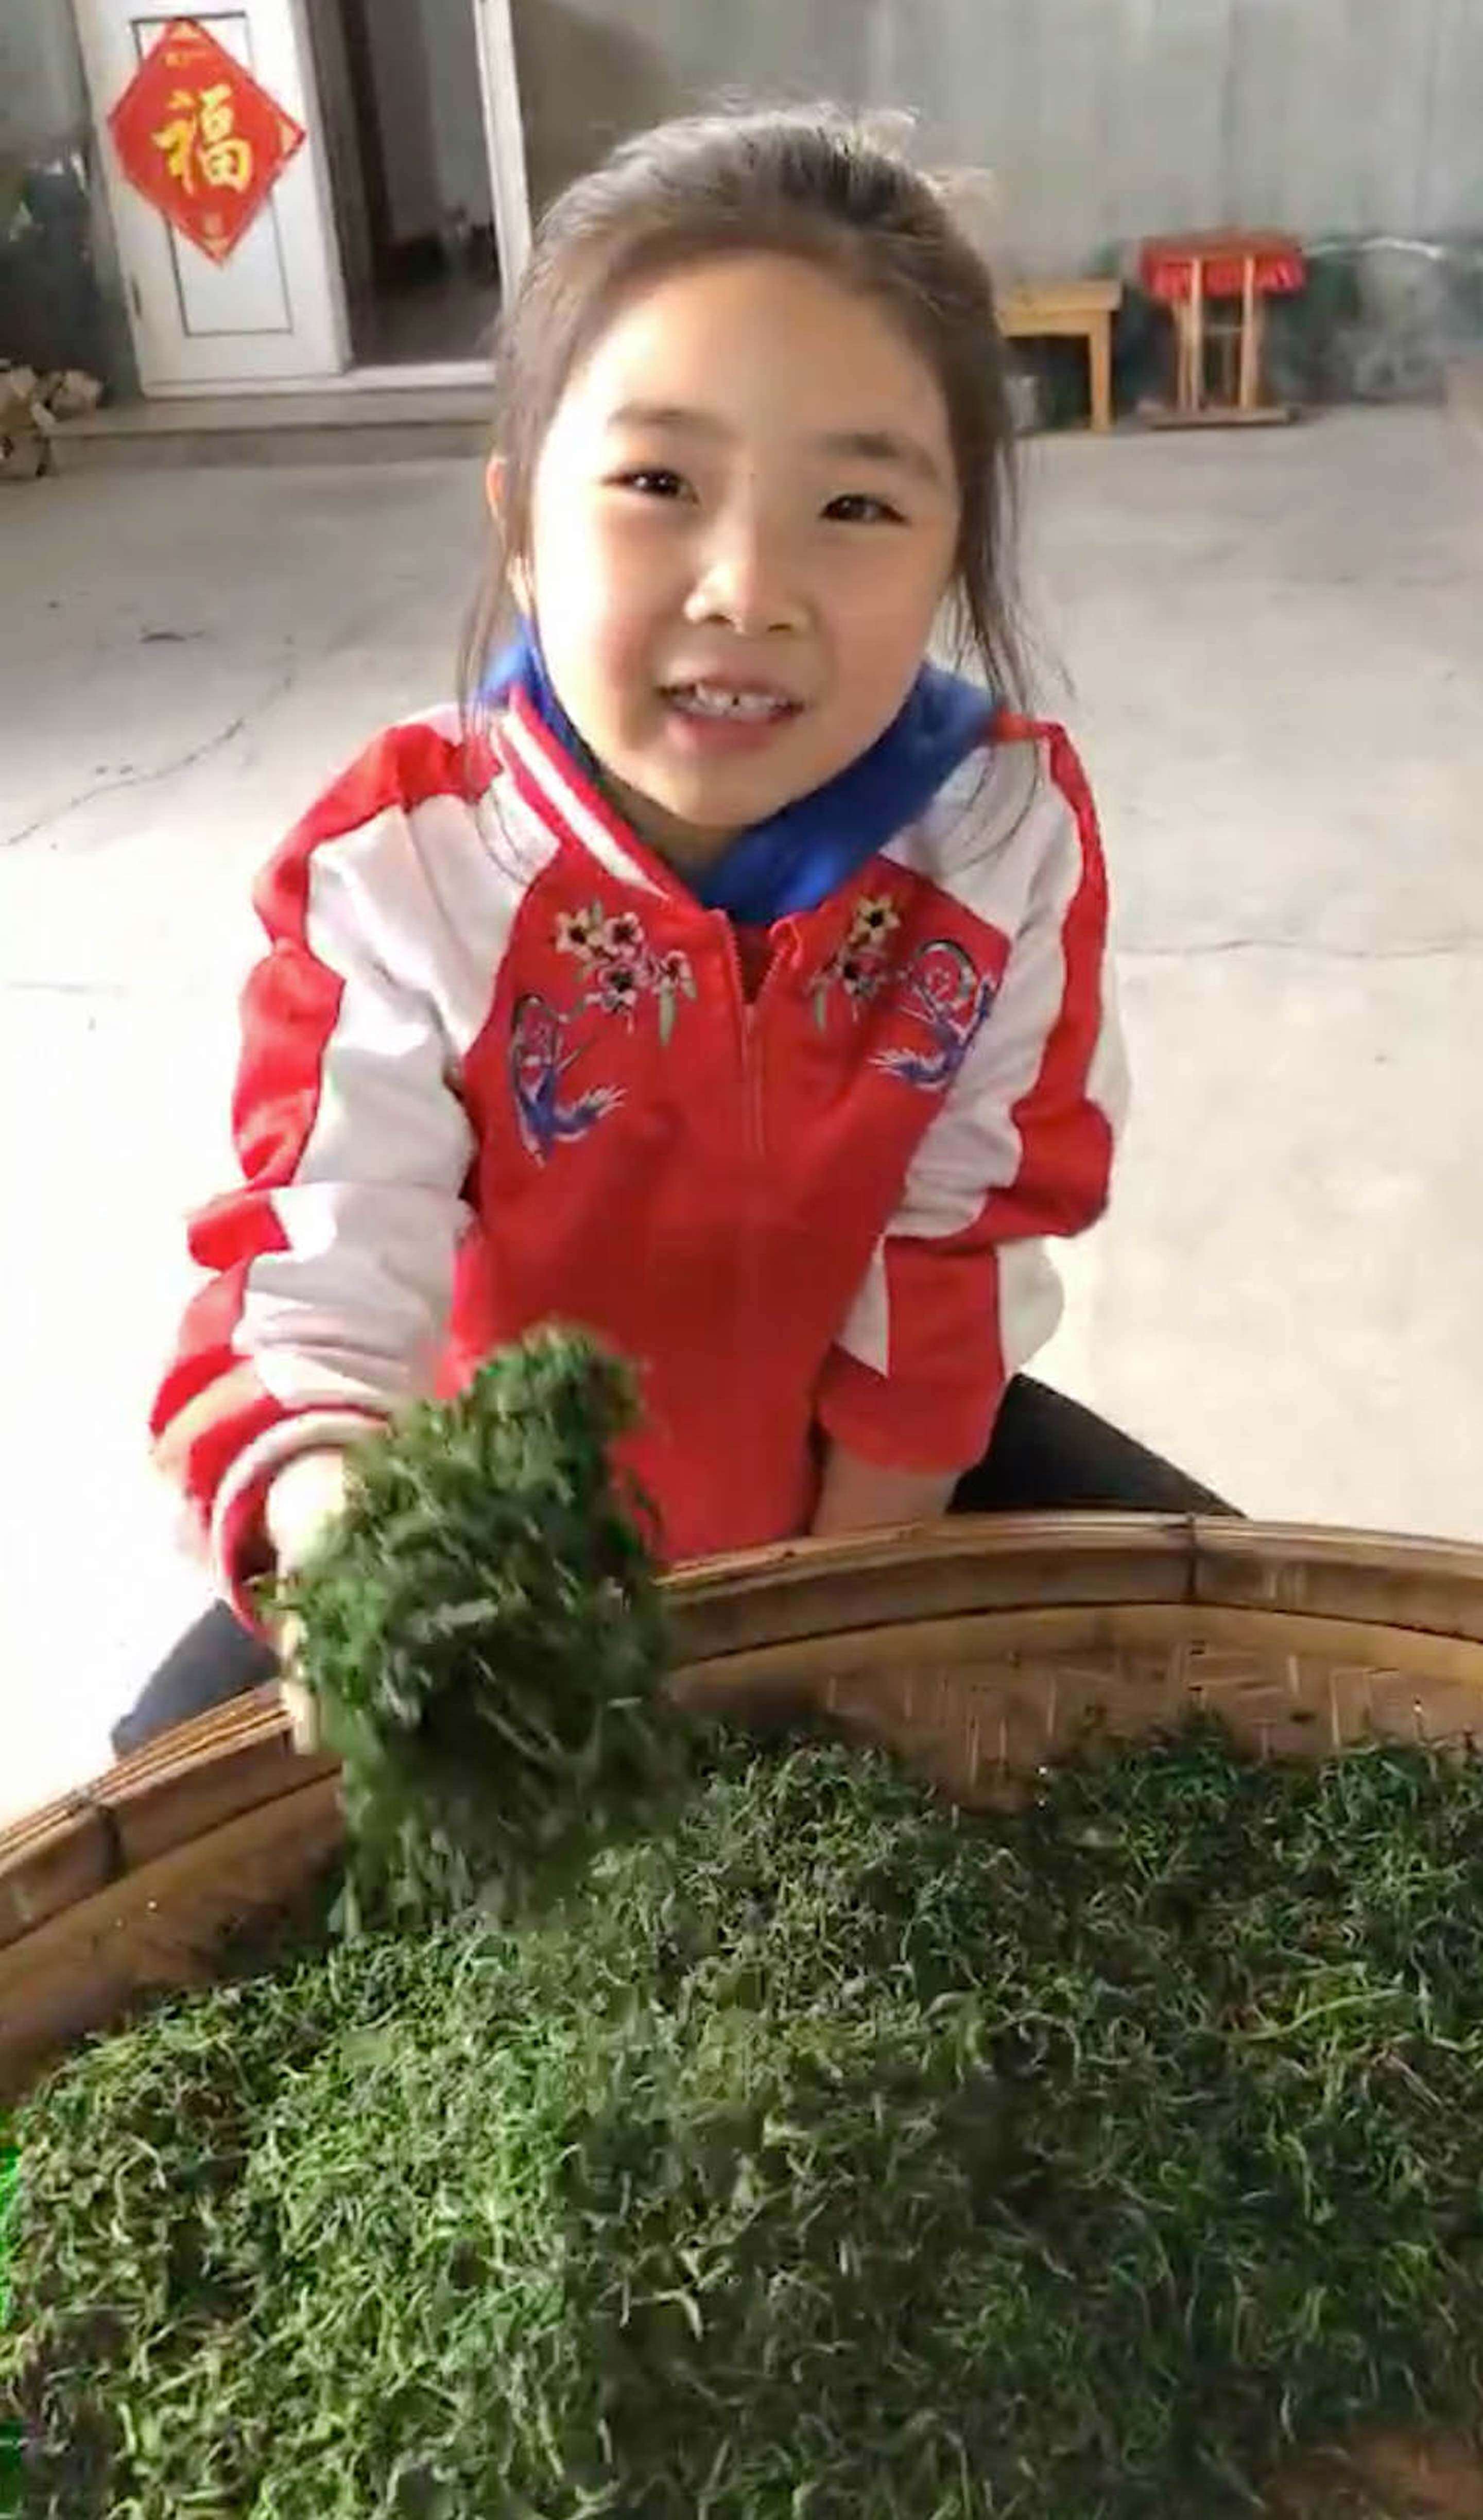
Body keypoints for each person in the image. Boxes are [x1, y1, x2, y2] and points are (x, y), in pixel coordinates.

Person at [113, 105, 1231, 1762]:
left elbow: (959, 1253)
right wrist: (368, 1559)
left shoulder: (997, 845)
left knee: (1257, 1711)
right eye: (657, 483)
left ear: (952, 556)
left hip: (880, 1477)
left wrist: (834, 1630)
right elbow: (320, 1269)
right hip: (502, 1529)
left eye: (858, 509)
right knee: (163, 1774)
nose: (748, 587)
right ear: (519, 519)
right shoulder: (409, 868)